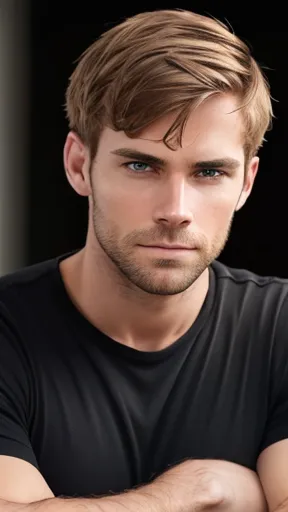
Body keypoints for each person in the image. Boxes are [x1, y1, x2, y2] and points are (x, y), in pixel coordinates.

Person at [0, 7, 286, 512]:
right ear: (78, 165)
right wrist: (197, 490)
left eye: (209, 172)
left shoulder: (281, 327)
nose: (175, 211)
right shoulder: (7, 331)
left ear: (246, 182)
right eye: (141, 164)